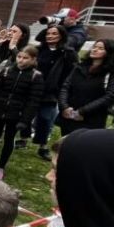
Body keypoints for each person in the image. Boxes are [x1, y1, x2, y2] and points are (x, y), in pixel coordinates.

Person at [0, 46, 43, 181]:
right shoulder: (6, 71)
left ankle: (0, 167)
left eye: (25, 58)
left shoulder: (36, 77)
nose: (21, 60)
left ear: (33, 59)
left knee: (8, 139)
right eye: (19, 57)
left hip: (16, 113)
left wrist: (25, 119)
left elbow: (34, 100)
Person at [56, 39, 114, 135]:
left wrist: (82, 111)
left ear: (110, 53)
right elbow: (66, 87)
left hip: (92, 119)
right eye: (94, 47)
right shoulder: (79, 67)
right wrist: (64, 107)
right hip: (69, 114)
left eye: (100, 48)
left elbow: (110, 96)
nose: (95, 50)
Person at [32, 24, 77, 160]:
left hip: (51, 91)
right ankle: (22, 137)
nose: (50, 36)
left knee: (45, 118)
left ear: (61, 36)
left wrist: (61, 89)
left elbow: (71, 73)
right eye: (48, 33)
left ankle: (43, 146)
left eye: (54, 34)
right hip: (33, 87)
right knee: (26, 114)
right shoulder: (39, 50)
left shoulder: (68, 53)